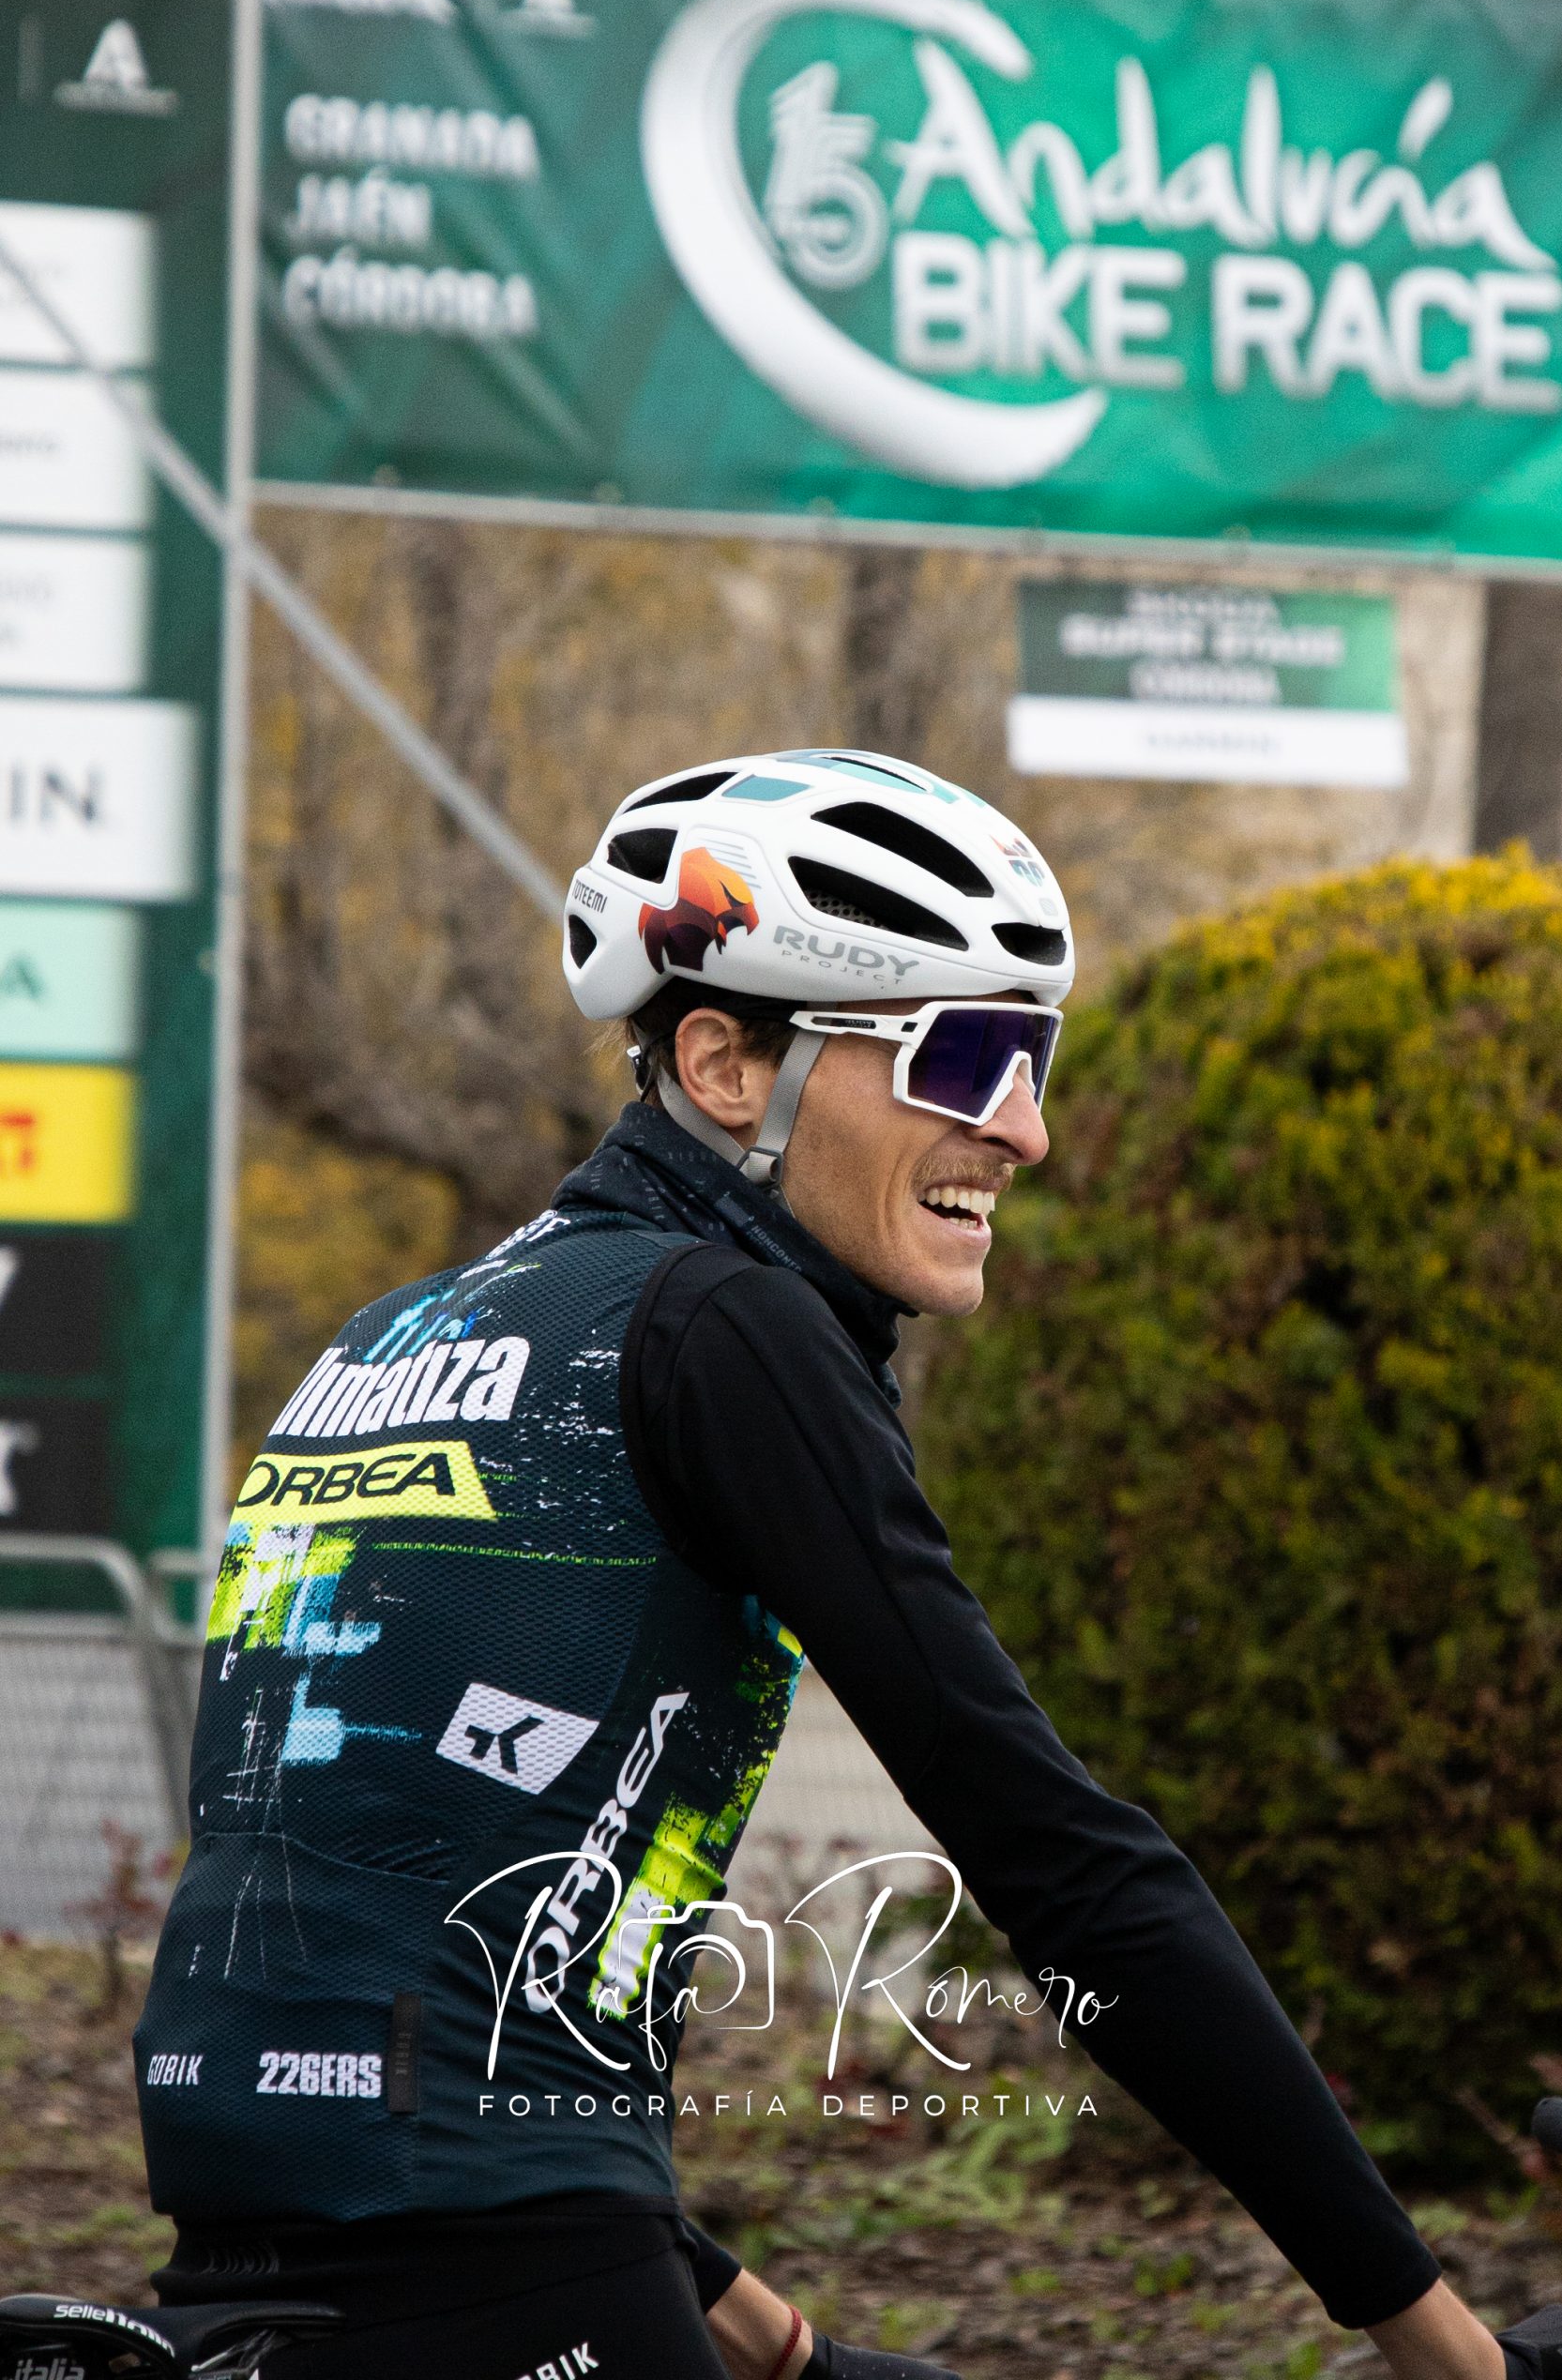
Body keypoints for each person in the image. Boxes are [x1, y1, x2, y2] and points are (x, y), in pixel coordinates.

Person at [135, 749, 1504, 2380]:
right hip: (502, 2264)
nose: (1025, 1130)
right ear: (725, 1063)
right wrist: (1437, 2338)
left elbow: (378, 1914)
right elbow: (1057, 1860)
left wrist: (766, 2338)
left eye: (1033, 1057)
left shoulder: (399, 1333)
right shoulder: (724, 1327)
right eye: (964, 1056)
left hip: (255, 2247)